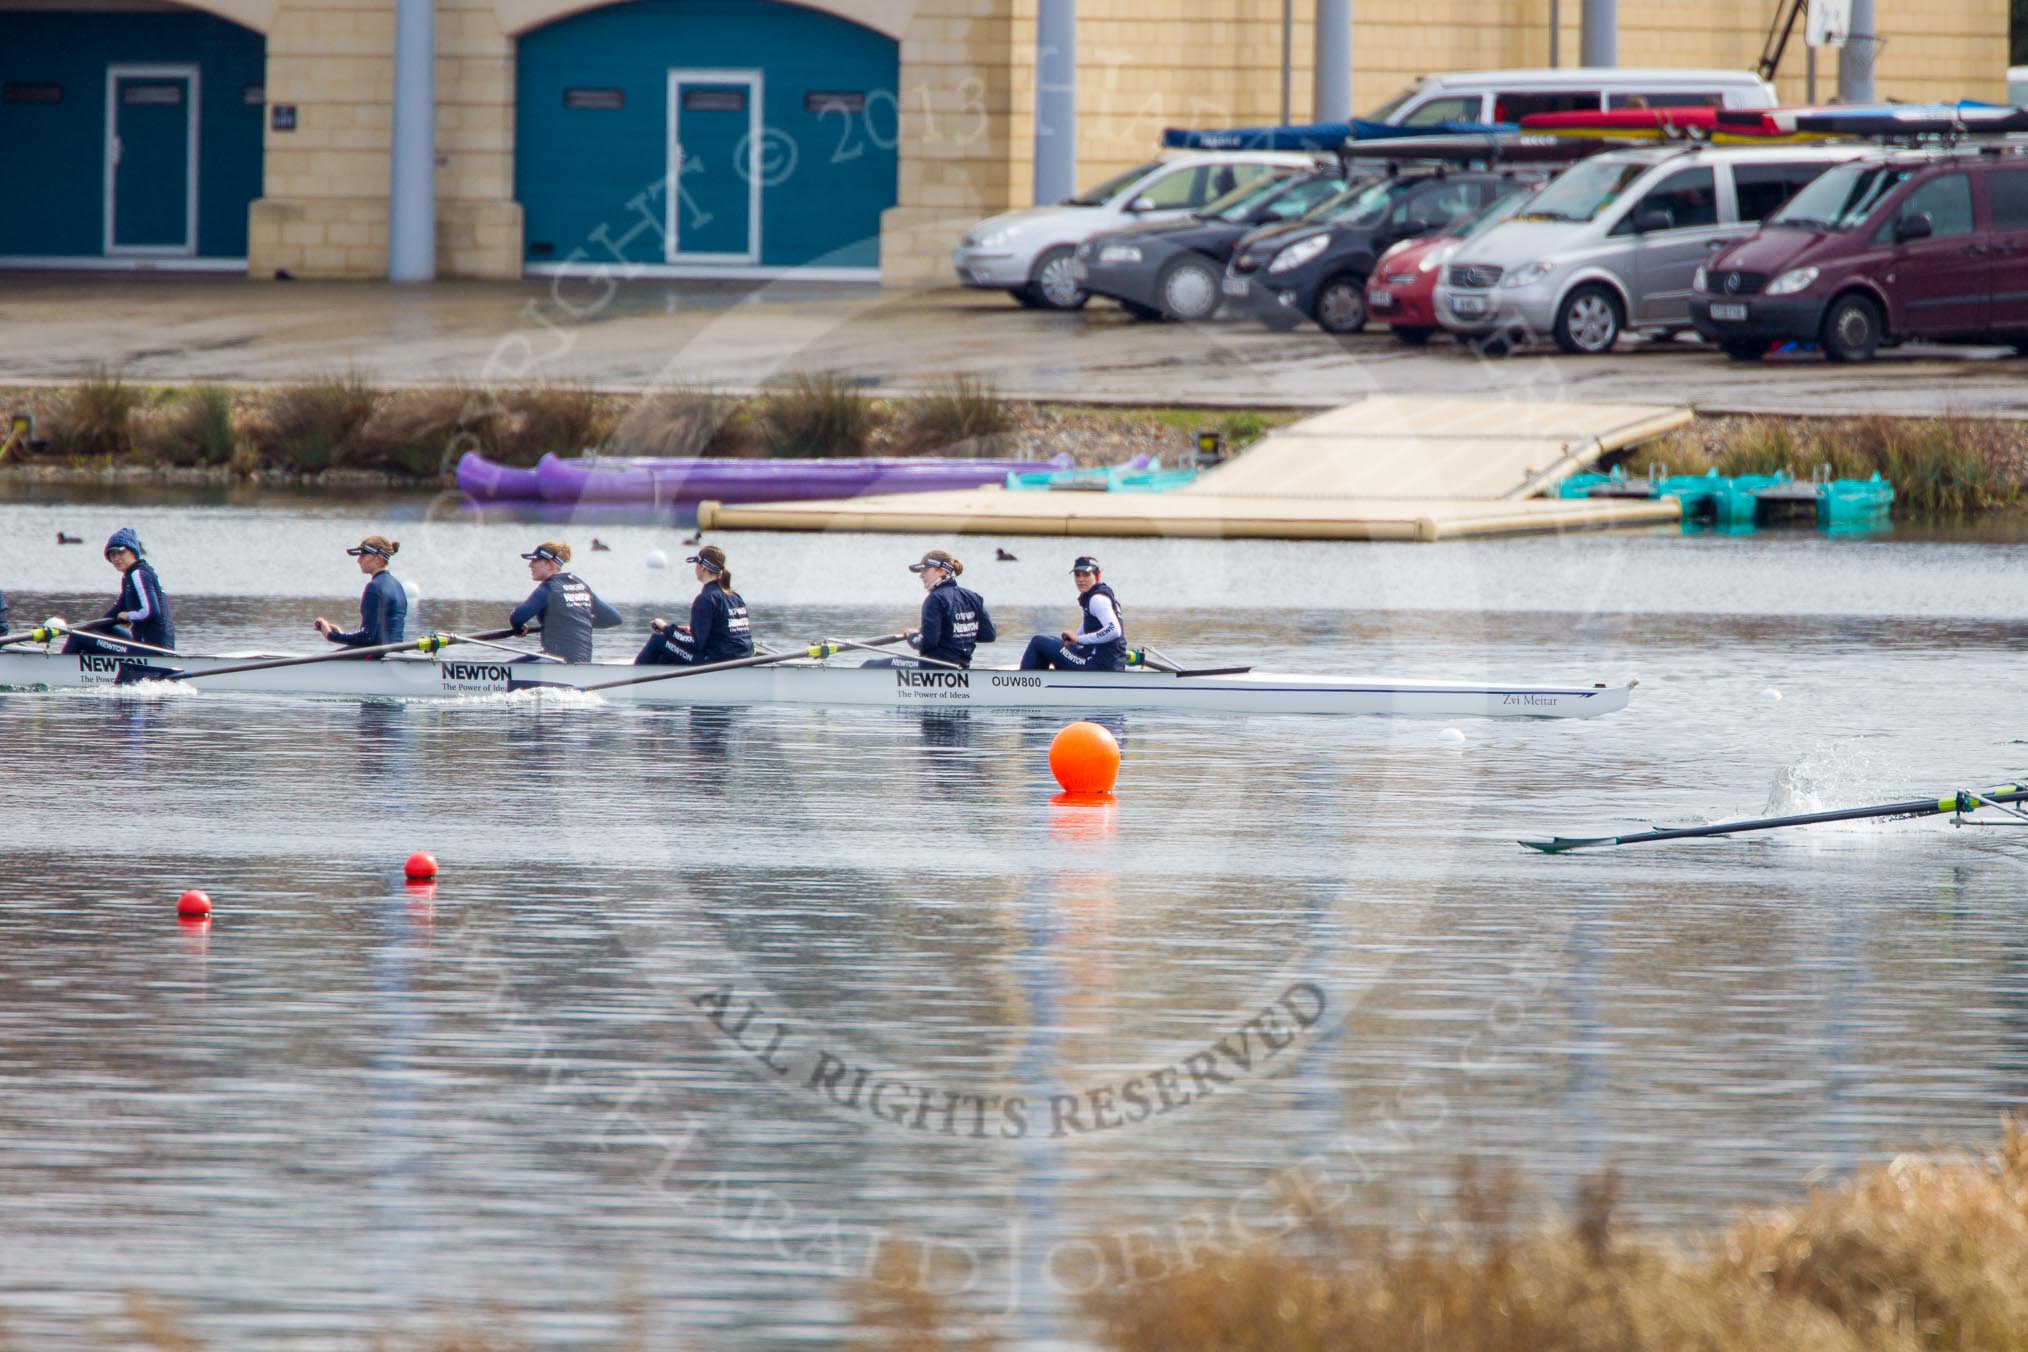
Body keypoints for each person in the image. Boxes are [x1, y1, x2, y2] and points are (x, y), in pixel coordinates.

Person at [635, 544, 753, 666]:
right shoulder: (735, 597)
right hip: (743, 657)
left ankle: (632, 680)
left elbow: (696, 645)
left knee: (658, 640)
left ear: (701, 567)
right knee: (665, 655)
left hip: (717, 661)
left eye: (696, 564)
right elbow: (725, 631)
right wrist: (691, 631)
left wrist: (666, 628)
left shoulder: (705, 599)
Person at [63, 527, 175, 655]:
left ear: (133, 552)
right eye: (112, 554)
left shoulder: (139, 574)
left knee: (78, 637)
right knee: (87, 633)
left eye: (120, 552)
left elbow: (151, 612)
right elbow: (113, 614)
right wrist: (82, 628)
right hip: (145, 645)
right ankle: (82, 670)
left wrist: (130, 616)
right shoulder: (130, 577)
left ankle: (56, 669)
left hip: (152, 650)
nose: (116, 558)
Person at [508, 541, 622, 663]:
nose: (530, 565)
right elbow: (614, 618)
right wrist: (578, 621)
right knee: (513, 665)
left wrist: (518, 627)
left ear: (550, 565)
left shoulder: (548, 588)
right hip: (582, 660)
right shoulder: (580, 585)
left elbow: (517, 618)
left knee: (508, 673)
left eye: (535, 561)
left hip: (558, 660)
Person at [887, 548, 995, 669]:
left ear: (942, 571)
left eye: (925, 570)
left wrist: (912, 637)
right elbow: (988, 634)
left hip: (934, 667)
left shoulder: (935, 599)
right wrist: (954, 634)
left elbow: (928, 643)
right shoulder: (973, 597)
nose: (921, 575)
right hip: (961, 667)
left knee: (869, 665)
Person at [1020, 555, 1127, 672]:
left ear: (1097, 576)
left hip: (1098, 665)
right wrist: (1073, 640)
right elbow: (1087, 628)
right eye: (1077, 575)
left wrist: (1080, 639)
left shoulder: (1097, 599)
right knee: (1052, 643)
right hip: (1111, 663)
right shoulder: (1101, 596)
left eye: (1086, 575)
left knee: (1038, 641)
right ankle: (1044, 683)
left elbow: (1114, 630)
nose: (1081, 579)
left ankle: (1024, 684)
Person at [314, 535, 408, 653]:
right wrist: (342, 634)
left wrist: (330, 635)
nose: (358, 560)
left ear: (378, 559)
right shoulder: (397, 585)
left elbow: (367, 637)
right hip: (393, 654)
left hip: (377, 656)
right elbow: (374, 636)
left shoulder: (374, 587)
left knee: (324, 661)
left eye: (363, 555)